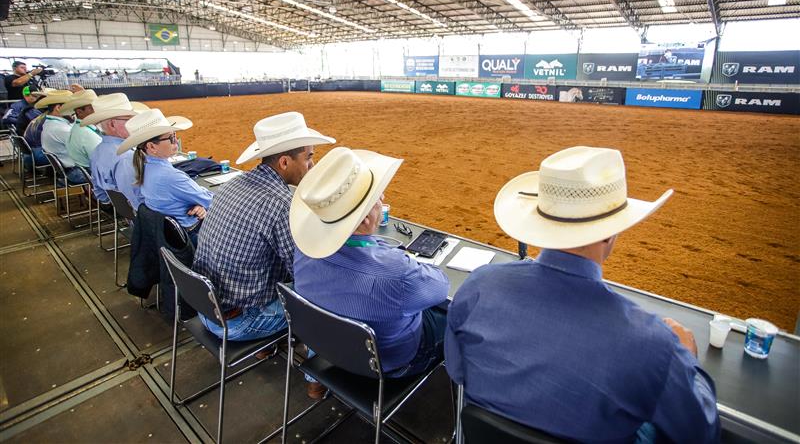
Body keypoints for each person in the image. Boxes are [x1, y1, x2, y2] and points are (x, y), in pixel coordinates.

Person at [445, 146, 720, 443]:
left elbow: (457, 371)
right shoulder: (653, 343)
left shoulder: (479, 286)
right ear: (609, 232)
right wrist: (687, 360)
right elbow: (700, 432)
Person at [291, 147, 450, 378]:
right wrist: (400, 259)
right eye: (378, 198)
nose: (383, 198)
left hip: (330, 350)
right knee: (454, 314)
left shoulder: (303, 251)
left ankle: (315, 381)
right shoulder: (396, 273)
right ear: (365, 220)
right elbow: (441, 287)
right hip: (393, 363)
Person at [193, 112, 334, 347]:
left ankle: (266, 349)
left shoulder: (233, 183)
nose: (312, 165)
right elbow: (305, 274)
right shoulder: (280, 204)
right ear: (285, 162)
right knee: (324, 300)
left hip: (208, 307)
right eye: (309, 157)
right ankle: (316, 381)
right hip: (241, 322)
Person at [117, 108, 212, 244]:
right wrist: (200, 203)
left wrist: (198, 203)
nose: (176, 141)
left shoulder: (144, 168)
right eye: (171, 138)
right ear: (152, 147)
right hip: (189, 237)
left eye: (175, 136)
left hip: (167, 238)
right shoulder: (170, 176)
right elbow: (210, 201)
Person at [84, 93, 146, 209]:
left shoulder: (98, 150)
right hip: (138, 213)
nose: (134, 123)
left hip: (116, 207)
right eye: (129, 119)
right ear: (112, 124)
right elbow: (138, 202)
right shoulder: (126, 157)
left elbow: (100, 192)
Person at [39, 90, 88, 184]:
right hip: (76, 173)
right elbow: (86, 151)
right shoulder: (62, 129)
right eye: (71, 108)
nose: (74, 112)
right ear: (58, 108)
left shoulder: (50, 124)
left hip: (66, 171)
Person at [61, 89, 102, 169]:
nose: (98, 110)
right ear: (79, 112)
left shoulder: (79, 128)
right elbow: (102, 161)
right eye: (93, 108)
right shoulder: (87, 134)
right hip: (90, 173)